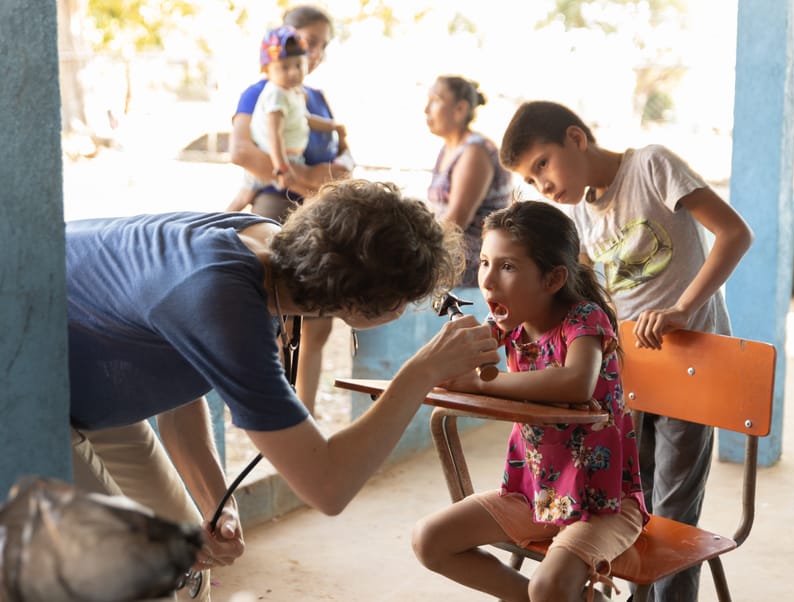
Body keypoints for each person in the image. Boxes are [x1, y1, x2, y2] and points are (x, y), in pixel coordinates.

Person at [68, 179, 499, 599]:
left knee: (187, 567)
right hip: (27, 390)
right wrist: (421, 372)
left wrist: (218, 505)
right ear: (354, 302)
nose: (402, 310)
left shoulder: (266, 247)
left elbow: (180, 397)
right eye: (401, 300)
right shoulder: (224, 298)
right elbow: (327, 487)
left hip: (90, 391)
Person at [498, 100, 754, 602]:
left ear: (576, 137)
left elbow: (735, 234)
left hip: (693, 367)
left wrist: (682, 307)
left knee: (675, 513)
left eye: (542, 164)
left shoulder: (651, 165)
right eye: (531, 180)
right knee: (625, 507)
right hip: (629, 375)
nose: (543, 185)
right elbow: (588, 298)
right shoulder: (579, 215)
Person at [412, 201, 649, 602]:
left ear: (554, 278)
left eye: (508, 267)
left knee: (549, 587)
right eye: (485, 262)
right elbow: (455, 373)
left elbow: (576, 383)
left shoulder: (584, 320)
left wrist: (483, 384)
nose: (488, 281)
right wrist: (447, 367)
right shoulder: (507, 327)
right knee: (429, 540)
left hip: (603, 503)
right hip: (535, 495)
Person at [228, 5, 351, 412]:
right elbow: (242, 151)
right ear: (286, 37)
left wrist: (319, 178)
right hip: (278, 205)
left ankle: (307, 412)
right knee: (280, 315)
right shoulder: (261, 91)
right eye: (310, 42)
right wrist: (301, 178)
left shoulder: (314, 98)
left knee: (318, 320)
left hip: (319, 211)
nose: (314, 53)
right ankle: (277, 414)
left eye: (322, 46)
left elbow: (344, 160)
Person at [228, 25, 346, 211]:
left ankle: (212, 226)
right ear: (267, 69)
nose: (293, 72)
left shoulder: (293, 92)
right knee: (312, 196)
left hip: (289, 159)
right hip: (281, 161)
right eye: (284, 67)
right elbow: (275, 134)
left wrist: (332, 126)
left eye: (298, 65)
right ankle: (210, 228)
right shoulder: (276, 94)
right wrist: (282, 168)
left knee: (242, 198)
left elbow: (305, 119)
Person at [425, 75, 512, 287]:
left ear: (460, 109)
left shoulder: (475, 151)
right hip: (449, 257)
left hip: (473, 267)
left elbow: (455, 221)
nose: (426, 109)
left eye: (435, 100)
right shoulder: (448, 149)